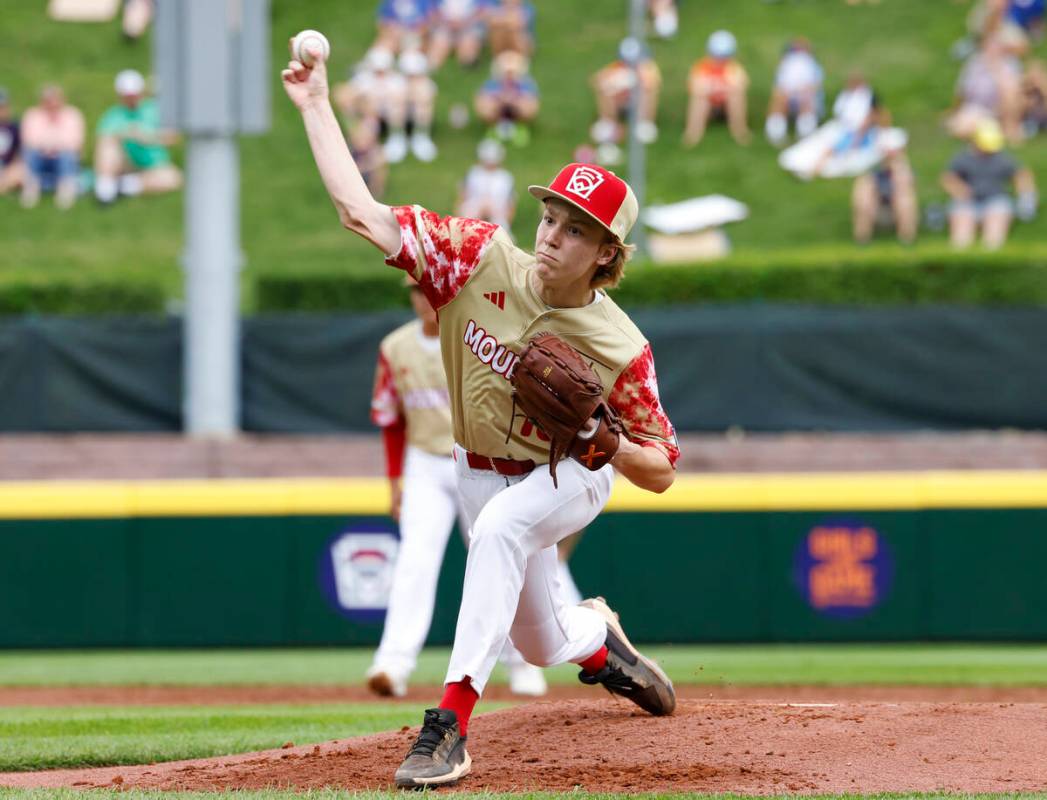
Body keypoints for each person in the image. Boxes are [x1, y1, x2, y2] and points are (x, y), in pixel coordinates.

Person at [282, 41, 679, 789]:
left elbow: (659, 469)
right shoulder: (474, 257)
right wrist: (315, 104)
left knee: (500, 530)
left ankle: (448, 726)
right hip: (473, 470)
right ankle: (604, 648)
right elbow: (359, 214)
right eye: (551, 217)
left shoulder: (621, 346)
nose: (550, 236)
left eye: (573, 230)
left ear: (605, 255)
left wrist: (609, 439)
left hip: (570, 474)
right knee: (539, 642)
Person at [367, 277, 547, 699]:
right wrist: (395, 483)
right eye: (415, 289)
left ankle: (521, 664)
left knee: (496, 560)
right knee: (414, 560)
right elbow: (392, 422)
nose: (423, 298)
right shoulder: (396, 347)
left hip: (475, 459)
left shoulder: (474, 337)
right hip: (424, 464)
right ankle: (392, 665)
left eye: (429, 289)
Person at [941, 118, 1038, 249]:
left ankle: (990, 252)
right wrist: (959, 190)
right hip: (968, 201)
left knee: (995, 228)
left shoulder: (1003, 159)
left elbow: (1021, 176)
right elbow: (948, 178)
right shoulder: (962, 158)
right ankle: (960, 258)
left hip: (996, 200)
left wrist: (1026, 198)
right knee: (962, 230)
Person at [94, 69, 182, 205]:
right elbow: (103, 142)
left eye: (134, 95)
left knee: (173, 178)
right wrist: (124, 135)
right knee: (107, 146)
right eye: (127, 95)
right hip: (125, 164)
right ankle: (105, 187)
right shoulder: (112, 116)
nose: (132, 99)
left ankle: (125, 187)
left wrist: (147, 138)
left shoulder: (154, 110)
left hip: (152, 165)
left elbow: (173, 137)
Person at [589, 41, 662, 158]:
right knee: (606, 90)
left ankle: (644, 125)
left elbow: (653, 82)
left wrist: (637, 79)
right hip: (621, 104)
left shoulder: (648, 67)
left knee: (648, 92)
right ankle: (608, 124)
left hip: (639, 104)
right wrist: (614, 83)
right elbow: (596, 80)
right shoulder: (617, 67)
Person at [19, 85, 85, 210]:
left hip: (63, 157)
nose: (52, 104)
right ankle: (31, 189)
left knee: (67, 155)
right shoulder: (32, 115)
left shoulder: (73, 115)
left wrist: (51, 143)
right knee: (31, 154)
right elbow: (29, 141)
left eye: (55, 100)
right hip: (40, 156)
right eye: (48, 101)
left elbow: (75, 143)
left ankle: (65, 190)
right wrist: (51, 143)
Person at [946, 37, 1023, 142]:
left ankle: (1008, 129)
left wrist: (996, 70)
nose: (993, 49)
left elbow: (1014, 92)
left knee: (1010, 94)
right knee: (962, 128)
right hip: (977, 108)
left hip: (1001, 110)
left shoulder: (1010, 64)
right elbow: (962, 91)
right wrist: (955, 110)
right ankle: (986, 130)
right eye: (990, 46)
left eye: (996, 46)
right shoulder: (975, 64)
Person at [683, 29, 750, 147]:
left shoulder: (734, 68)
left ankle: (739, 131)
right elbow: (694, 87)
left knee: (736, 96)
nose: (720, 60)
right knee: (700, 98)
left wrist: (718, 89)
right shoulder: (701, 67)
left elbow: (742, 84)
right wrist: (717, 89)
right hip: (709, 107)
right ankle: (693, 133)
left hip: (727, 107)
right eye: (717, 56)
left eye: (724, 56)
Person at [851, 142, 918, 244]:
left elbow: (905, 185)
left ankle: (907, 240)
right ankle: (862, 240)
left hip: (896, 211)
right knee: (864, 197)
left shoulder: (903, 170)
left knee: (905, 200)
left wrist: (898, 167)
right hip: (875, 211)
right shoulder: (871, 171)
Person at [764, 38, 823, 146]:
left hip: (808, 102)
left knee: (806, 97)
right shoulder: (785, 65)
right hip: (789, 98)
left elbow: (814, 87)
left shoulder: (813, 66)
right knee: (779, 98)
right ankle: (776, 135)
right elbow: (778, 87)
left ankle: (805, 135)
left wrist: (801, 92)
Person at [474, 50, 539, 145]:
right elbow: (484, 95)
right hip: (498, 108)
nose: (509, 75)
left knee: (525, 105)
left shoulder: (525, 83)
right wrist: (500, 99)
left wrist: (514, 100)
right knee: (487, 105)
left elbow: (531, 97)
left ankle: (519, 128)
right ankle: (494, 128)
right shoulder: (493, 83)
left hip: (516, 109)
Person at [457, 138, 515, 233]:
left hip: (498, 213)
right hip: (473, 209)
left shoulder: (506, 177)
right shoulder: (473, 173)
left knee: (500, 226)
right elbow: (462, 197)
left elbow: (510, 204)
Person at [428, 0, 494, 68]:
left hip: (470, 26)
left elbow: (484, 11)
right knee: (440, 41)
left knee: (468, 41)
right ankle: (432, 68)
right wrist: (448, 23)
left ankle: (467, 66)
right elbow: (432, 12)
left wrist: (465, 23)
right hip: (444, 26)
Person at [0, 88, 23, 197]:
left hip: (9, 166)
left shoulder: (14, 127)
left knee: (19, 174)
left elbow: (20, 151)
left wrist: (13, 165)